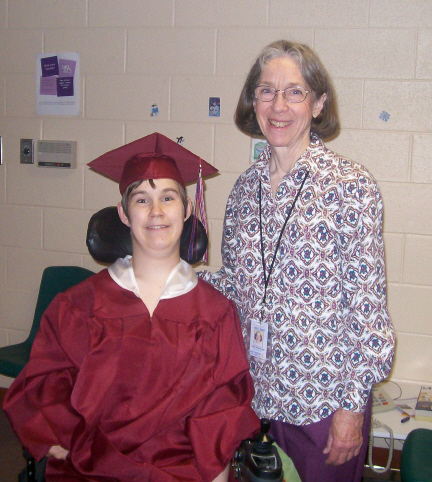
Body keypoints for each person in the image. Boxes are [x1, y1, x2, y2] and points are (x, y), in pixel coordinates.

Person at [4, 133, 260, 482]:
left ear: (186, 209)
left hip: (179, 473)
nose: (156, 211)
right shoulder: (79, 305)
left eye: (168, 198)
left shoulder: (215, 313)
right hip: (91, 469)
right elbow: (43, 383)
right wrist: (57, 439)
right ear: (123, 213)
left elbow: (222, 411)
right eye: (142, 200)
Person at [200, 40, 396, 482]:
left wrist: (351, 409)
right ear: (253, 102)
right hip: (255, 398)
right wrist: (172, 278)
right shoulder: (244, 190)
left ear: (319, 102)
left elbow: (368, 315)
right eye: (266, 91)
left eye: (295, 91)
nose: (278, 105)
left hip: (323, 406)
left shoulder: (350, 186)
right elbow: (236, 284)